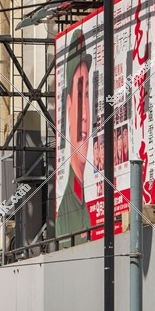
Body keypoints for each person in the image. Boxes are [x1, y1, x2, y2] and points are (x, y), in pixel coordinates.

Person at [55, 29, 93, 240]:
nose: (85, 114)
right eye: (79, 95)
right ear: (68, 105)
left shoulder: (93, 191)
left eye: (87, 94)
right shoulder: (65, 211)